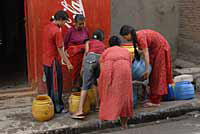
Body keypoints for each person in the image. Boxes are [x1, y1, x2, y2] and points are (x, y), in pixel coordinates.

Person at [120, 25, 174, 107]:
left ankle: (156, 101)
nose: (125, 39)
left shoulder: (140, 37)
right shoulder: (136, 37)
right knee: (153, 76)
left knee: (157, 75)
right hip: (155, 50)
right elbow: (141, 51)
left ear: (129, 34)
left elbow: (146, 53)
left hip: (161, 49)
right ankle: (153, 97)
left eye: (125, 37)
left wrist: (147, 69)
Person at [98, 36, 133, 129]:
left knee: (107, 92)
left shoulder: (106, 52)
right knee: (125, 95)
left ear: (109, 44)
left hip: (109, 67)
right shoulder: (126, 51)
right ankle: (124, 124)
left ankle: (106, 117)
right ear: (120, 44)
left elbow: (102, 69)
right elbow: (130, 65)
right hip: (124, 67)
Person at [43, 10, 73, 113]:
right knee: (56, 85)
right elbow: (60, 50)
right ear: (60, 20)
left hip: (46, 61)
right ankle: (57, 108)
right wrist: (68, 63)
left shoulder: (47, 27)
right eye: (65, 22)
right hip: (53, 62)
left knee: (50, 85)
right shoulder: (56, 31)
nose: (65, 25)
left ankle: (50, 106)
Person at [71, 29, 105, 119]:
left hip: (90, 59)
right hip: (100, 60)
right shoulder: (102, 44)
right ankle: (98, 106)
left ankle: (80, 111)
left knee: (85, 85)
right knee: (96, 83)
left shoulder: (89, 42)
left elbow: (86, 53)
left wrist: (82, 67)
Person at [64, 14, 89, 91]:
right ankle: (75, 86)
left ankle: (82, 87)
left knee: (84, 70)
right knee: (75, 72)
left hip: (83, 54)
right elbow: (65, 42)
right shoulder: (70, 31)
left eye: (83, 24)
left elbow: (87, 41)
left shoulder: (85, 30)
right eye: (80, 24)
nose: (81, 26)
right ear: (75, 23)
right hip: (74, 55)